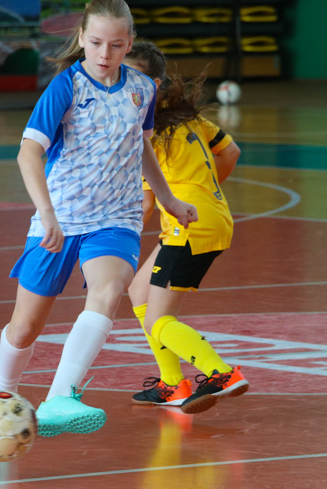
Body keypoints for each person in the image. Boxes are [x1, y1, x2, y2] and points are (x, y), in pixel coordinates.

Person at [0, 0, 198, 438]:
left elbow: (139, 144)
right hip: (60, 218)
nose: (106, 54)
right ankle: (3, 394)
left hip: (116, 218)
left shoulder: (143, 89)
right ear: (82, 38)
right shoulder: (66, 87)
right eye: (98, 43)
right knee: (25, 328)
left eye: (118, 45)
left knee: (109, 292)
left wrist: (167, 199)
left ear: (130, 44)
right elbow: (29, 153)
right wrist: (46, 213)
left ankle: (59, 397)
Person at [123, 41, 248, 414]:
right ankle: (171, 384)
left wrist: (115, 246)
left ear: (153, 85)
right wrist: (201, 195)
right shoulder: (185, 118)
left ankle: (221, 373)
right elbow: (230, 152)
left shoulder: (148, 131)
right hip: (207, 218)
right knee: (139, 292)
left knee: (160, 321)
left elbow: (145, 204)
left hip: (187, 227)